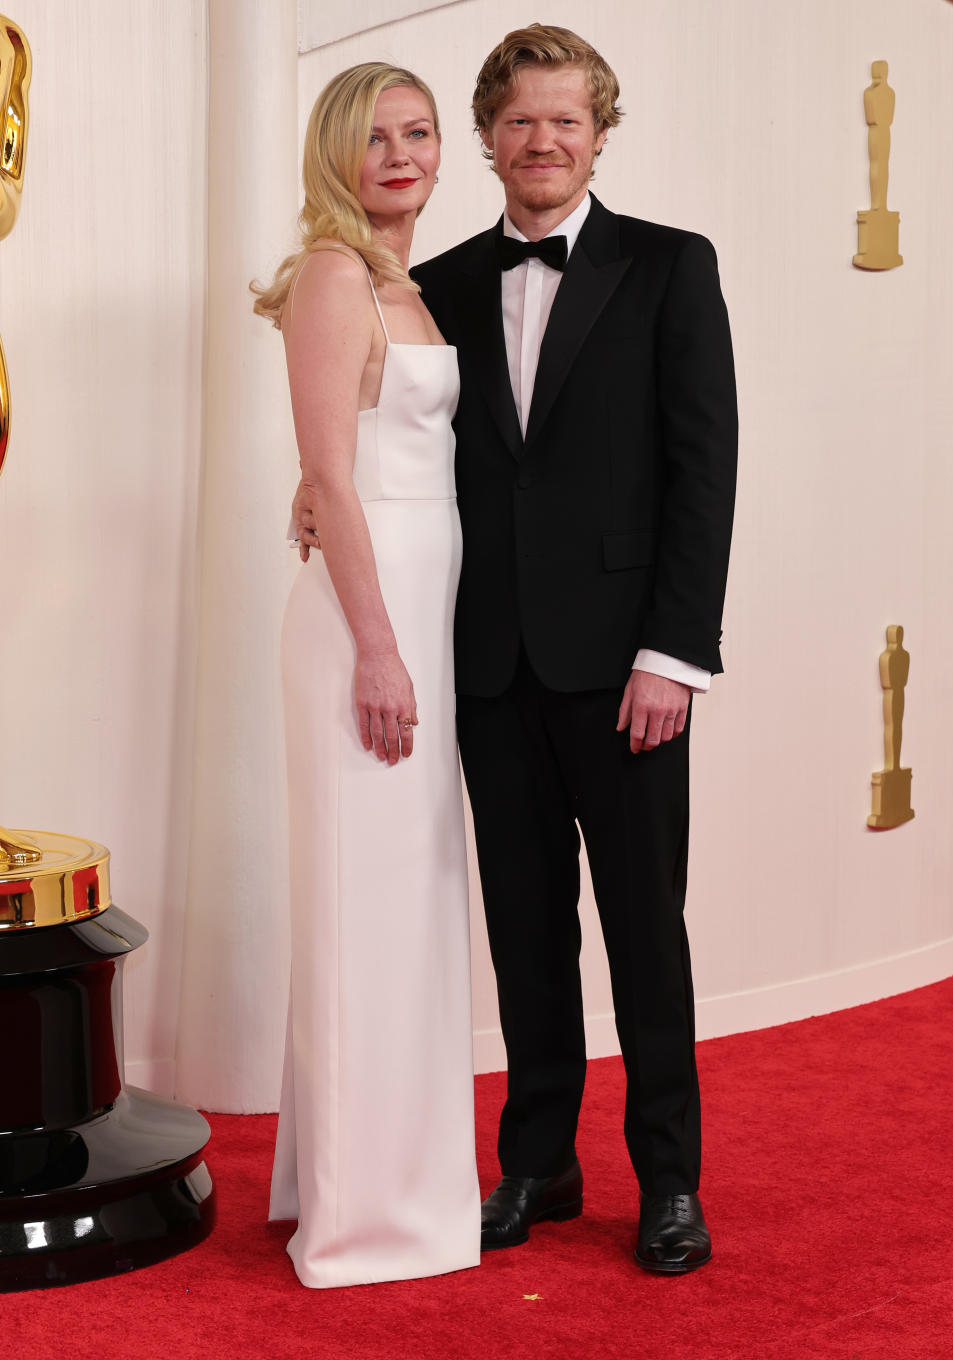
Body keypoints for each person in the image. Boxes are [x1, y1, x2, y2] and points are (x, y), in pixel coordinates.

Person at [294, 23, 738, 1275]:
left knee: (646, 932)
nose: (542, 141)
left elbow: (705, 474)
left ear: (598, 134)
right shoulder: (427, 282)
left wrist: (676, 654)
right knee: (525, 934)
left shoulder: (670, 268)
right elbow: (379, 428)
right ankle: (536, 1165)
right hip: (483, 668)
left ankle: (670, 1185)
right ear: (487, 137)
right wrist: (310, 490)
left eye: (567, 120)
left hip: (627, 673)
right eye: (520, 120)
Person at [253, 62, 480, 1288]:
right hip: (367, 623)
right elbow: (334, 477)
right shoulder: (335, 275)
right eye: (374, 136)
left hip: (419, 608)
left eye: (418, 132)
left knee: (407, 904)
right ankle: (366, 1216)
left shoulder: (410, 284)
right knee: (366, 905)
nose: (399, 153)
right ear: (335, 155)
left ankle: (367, 1178)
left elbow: (369, 447)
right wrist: (380, 648)